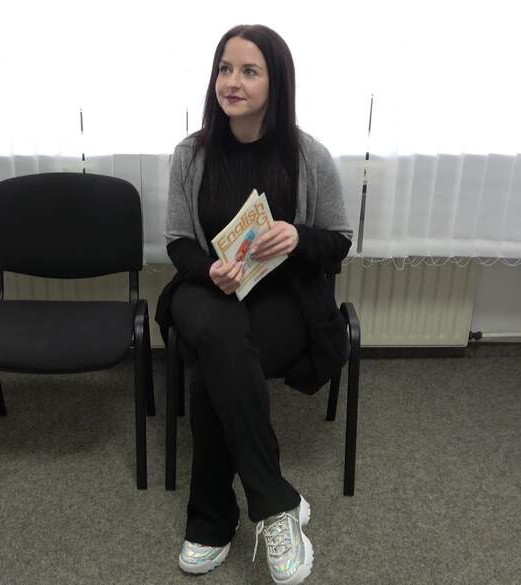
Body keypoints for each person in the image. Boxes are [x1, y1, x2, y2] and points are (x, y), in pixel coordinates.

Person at [154, 24, 353, 585]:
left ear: (276, 82)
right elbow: (177, 242)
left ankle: (212, 520)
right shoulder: (191, 154)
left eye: (248, 71)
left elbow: (339, 240)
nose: (232, 82)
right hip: (205, 291)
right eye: (225, 69)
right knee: (219, 338)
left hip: (283, 300)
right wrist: (208, 270)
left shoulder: (308, 155)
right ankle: (275, 502)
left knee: (216, 365)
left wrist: (297, 236)